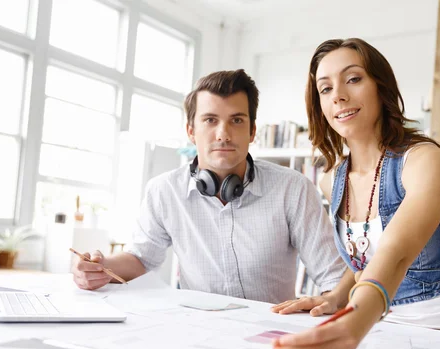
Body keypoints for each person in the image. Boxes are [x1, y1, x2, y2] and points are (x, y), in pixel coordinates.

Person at [269, 38, 440, 349]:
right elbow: (367, 253)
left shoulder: (424, 161)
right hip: (401, 338)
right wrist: (336, 297)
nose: (338, 95)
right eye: (325, 88)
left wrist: (353, 324)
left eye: (353, 79)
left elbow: (397, 252)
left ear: (380, 87)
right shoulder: (333, 180)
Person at [71, 69, 350, 304]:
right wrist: (101, 268)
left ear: (253, 131)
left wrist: (326, 311)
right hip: (198, 333)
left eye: (237, 120)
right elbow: (140, 259)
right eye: (210, 120)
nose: (223, 134)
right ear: (191, 130)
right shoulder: (164, 191)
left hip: (270, 336)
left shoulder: (293, 188)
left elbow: (332, 277)